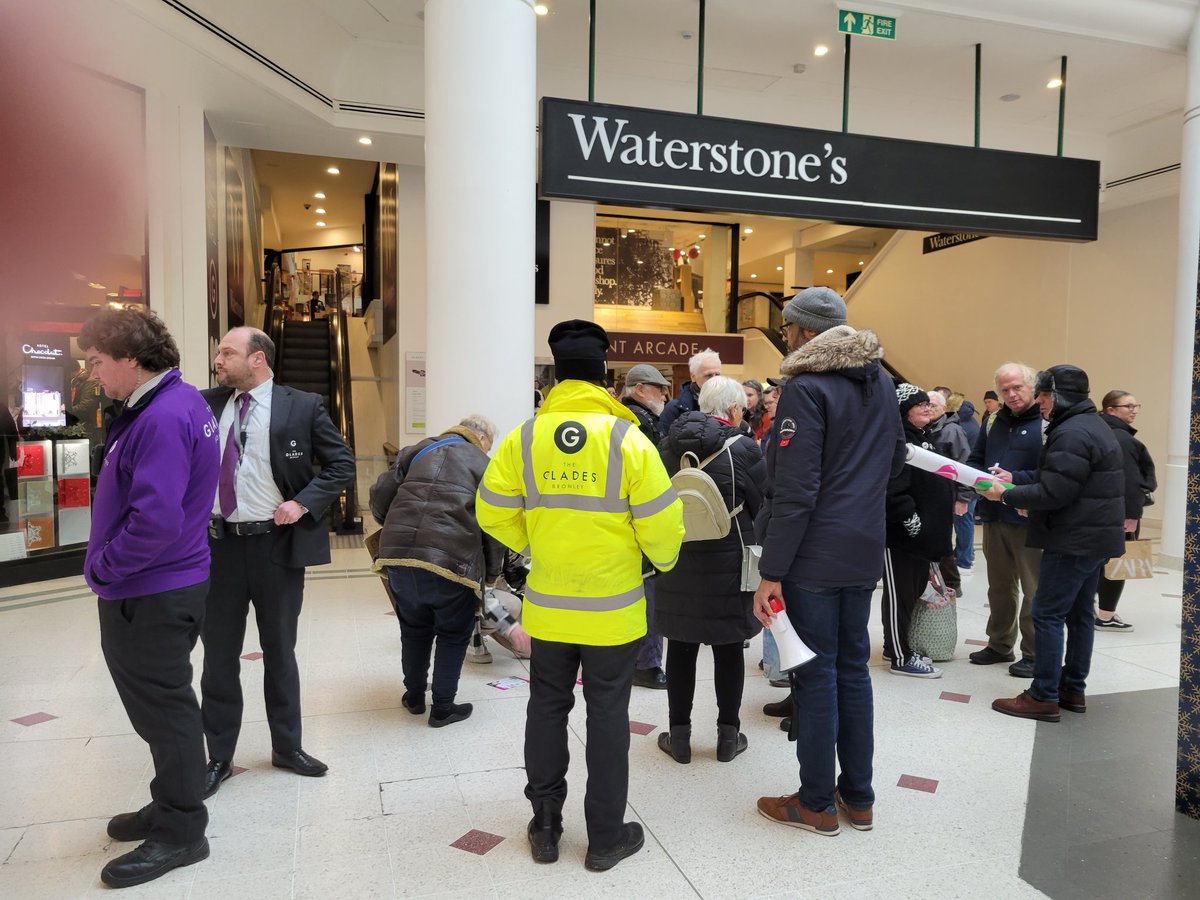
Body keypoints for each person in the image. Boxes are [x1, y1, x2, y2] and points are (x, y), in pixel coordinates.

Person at [476, 319, 684, 871]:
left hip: (549, 608)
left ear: (554, 377)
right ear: (604, 379)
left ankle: (545, 827)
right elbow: (665, 527)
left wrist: (536, 545)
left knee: (546, 708)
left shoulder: (524, 436)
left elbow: (491, 510)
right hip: (613, 613)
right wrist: (653, 561)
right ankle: (604, 838)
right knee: (608, 717)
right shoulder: (627, 439)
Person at [751, 287, 906, 837]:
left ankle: (815, 802)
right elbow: (894, 463)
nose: (784, 335)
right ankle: (858, 797)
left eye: (788, 327)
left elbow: (796, 490)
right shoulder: (882, 382)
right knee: (852, 673)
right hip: (863, 548)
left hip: (814, 556)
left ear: (804, 332)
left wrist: (772, 571)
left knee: (815, 678)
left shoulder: (805, 387)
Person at [78, 308, 219, 888]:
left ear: (131, 359)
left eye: (96, 362)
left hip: (152, 587)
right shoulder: (178, 401)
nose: (92, 374)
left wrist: (105, 571)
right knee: (166, 710)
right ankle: (171, 805)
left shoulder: (161, 417)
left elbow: (155, 520)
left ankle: (183, 832)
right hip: (167, 581)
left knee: (167, 714)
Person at [200, 327, 356, 798]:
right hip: (219, 547)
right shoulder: (207, 405)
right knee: (218, 656)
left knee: (280, 652)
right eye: (219, 353)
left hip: (275, 548)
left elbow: (340, 464)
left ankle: (287, 747)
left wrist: (304, 503)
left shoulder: (302, 406)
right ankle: (219, 758)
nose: (218, 360)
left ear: (259, 359)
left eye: (227, 352)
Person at [987, 365, 1125, 721]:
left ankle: (1043, 694)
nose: (1041, 404)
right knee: (1079, 615)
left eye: (1044, 397)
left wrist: (1008, 495)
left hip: (1072, 539)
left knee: (1047, 613)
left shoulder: (1071, 432)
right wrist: (1017, 478)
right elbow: (1064, 475)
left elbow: (1055, 490)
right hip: (1092, 537)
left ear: (1058, 396)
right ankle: (1071, 688)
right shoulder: (1090, 425)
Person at [369, 415, 527, 724]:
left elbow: (379, 498)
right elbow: (493, 527)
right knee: (453, 634)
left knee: (414, 629)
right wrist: (490, 576)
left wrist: (399, 526)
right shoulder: (485, 465)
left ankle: (413, 697)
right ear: (481, 440)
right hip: (451, 561)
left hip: (397, 556)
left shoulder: (416, 450)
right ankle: (442, 707)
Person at [655, 376, 766, 764]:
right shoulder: (745, 450)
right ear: (735, 410)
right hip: (729, 564)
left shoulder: (666, 445)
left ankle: (680, 738)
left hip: (678, 560)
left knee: (681, 648)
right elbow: (761, 504)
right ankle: (727, 738)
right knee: (729, 649)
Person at [966, 363, 1044, 678]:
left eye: (1017, 388)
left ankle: (1035, 653)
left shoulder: (1048, 423)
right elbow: (976, 458)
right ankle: (999, 644)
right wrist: (976, 480)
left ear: (1033, 387)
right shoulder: (994, 421)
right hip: (995, 515)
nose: (1010, 395)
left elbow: (1054, 471)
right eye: (1005, 390)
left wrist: (1017, 478)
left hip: (1030, 517)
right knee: (999, 586)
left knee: (1033, 589)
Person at [882, 385, 955, 678]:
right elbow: (892, 490)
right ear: (903, 411)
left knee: (910, 595)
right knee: (899, 597)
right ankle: (901, 657)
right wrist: (913, 523)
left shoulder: (924, 440)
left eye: (928, 403)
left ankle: (896, 646)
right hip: (904, 538)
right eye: (919, 404)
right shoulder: (898, 443)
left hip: (922, 540)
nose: (927, 407)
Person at [620, 363, 673, 689]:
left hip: (625, 522)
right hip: (640, 522)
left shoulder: (629, 420)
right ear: (640, 389)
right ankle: (647, 663)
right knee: (648, 593)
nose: (665, 394)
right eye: (659, 387)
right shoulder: (638, 423)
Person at [1095, 390, 1157, 630]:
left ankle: (1089, 609)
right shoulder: (1124, 439)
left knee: (1096, 563)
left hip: (1096, 511)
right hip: (1119, 513)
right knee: (1117, 562)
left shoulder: (1097, 432)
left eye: (1136, 405)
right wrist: (1132, 515)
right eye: (1128, 406)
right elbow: (1130, 481)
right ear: (1111, 409)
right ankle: (1106, 615)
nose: (1134, 410)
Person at [946, 392, 980, 573]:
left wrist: (963, 493)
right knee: (965, 519)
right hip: (972, 479)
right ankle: (965, 554)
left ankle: (964, 559)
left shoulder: (959, 427)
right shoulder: (970, 422)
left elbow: (962, 460)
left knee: (963, 520)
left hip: (965, 481)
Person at [659, 348, 721, 434]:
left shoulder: (728, 404)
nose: (714, 380)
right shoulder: (674, 409)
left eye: (717, 375)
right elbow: (664, 443)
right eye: (709, 375)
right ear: (693, 377)